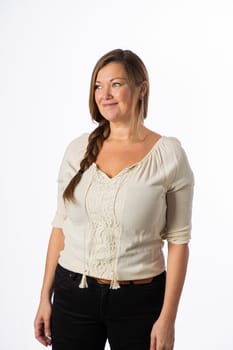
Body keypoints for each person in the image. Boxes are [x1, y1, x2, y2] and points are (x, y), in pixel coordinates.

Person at [34, 48, 194, 350]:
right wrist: (45, 297)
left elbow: (179, 242)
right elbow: (60, 227)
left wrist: (168, 318)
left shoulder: (168, 155)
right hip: (72, 295)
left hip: (140, 302)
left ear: (141, 89)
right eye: (98, 85)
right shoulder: (78, 149)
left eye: (116, 84)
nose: (104, 94)